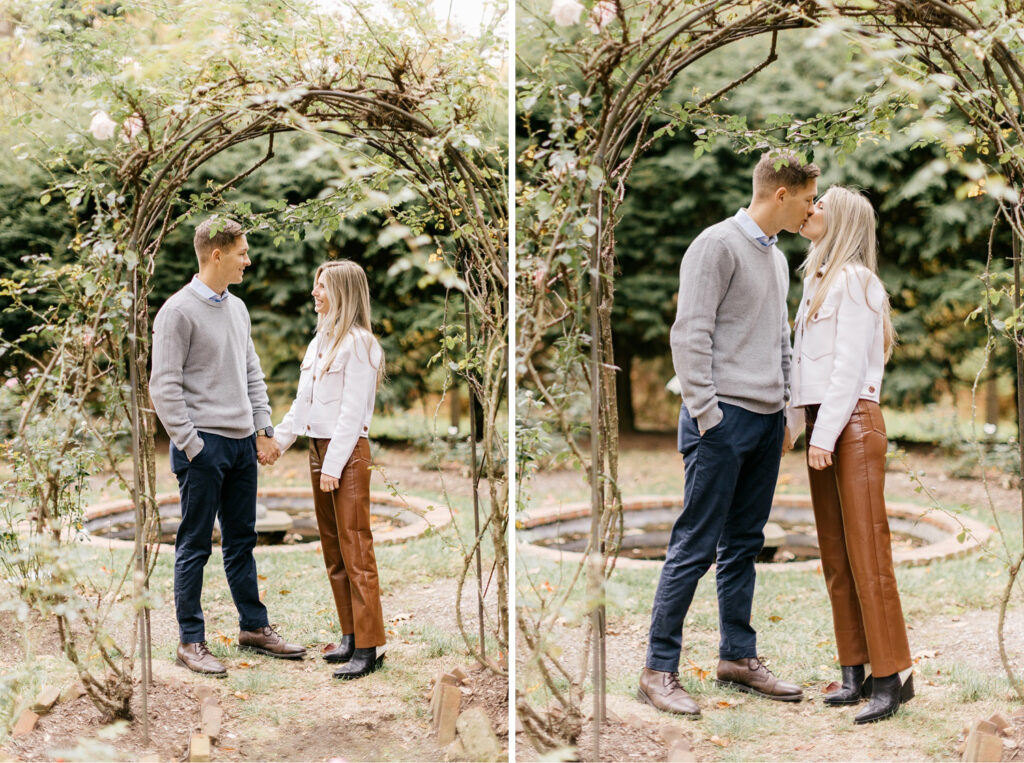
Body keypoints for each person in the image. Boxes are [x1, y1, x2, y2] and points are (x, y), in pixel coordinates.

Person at [638, 151, 819, 716]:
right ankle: (658, 669)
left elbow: (780, 341)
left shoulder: (777, 258)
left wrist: (788, 413)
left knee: (744, 544)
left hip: (766, 425)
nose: (813, 209)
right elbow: (689, 333)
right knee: (693, 545)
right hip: (721, 422)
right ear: (781, 193)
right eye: (809, 198)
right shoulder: (715, 244)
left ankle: (737, 658)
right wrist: (708, 414)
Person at [150, 217, 306, 677]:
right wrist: (193, 444)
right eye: (242, 252)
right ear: (216, 254)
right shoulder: (177, 312)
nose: (248, 260)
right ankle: (191, 641)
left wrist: (262, 428)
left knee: (242, 541)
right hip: (203, 448)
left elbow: (251, 372)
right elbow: (164, 387)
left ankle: (254, 628)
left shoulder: (237, 309)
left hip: (241, 446)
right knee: (194, 545)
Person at [791, 186, 913, 724]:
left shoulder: (859, 281)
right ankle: (854, 670)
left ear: (839, 221)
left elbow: (846, 370)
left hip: (854, 425)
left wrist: (824, 436)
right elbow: (804, 368)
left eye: (820, 205)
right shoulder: (815, 279)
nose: (809, 210)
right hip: (824, 422)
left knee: (869, 555)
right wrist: (797, 426)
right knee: (836, 554)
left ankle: (892, 679)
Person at [271, 259, 387, 680]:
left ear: (343, 292)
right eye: (315, 285)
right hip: (318, 450)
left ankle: (371, 646)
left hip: (347, 453)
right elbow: (303, 406)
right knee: (333, 549)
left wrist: (334, 465)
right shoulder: (318, 342)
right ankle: (351, 635)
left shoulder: (360, 344)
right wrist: (279, 443)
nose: (314, 293)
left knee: (356, 549)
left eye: (322, 287)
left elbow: (353, 413)